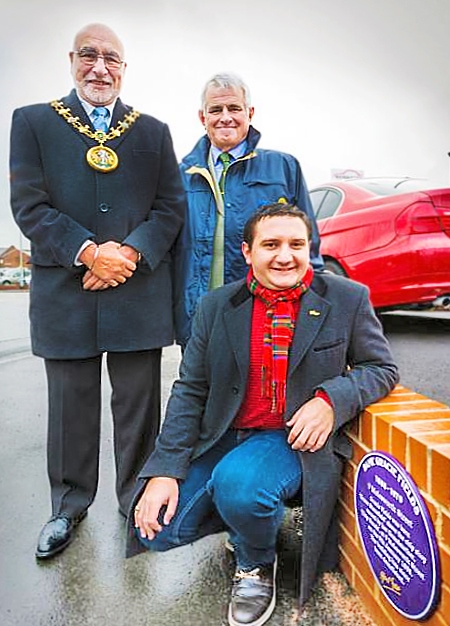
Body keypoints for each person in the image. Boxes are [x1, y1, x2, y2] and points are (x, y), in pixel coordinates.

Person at [126, 204, 399, 626]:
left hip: (289, 438)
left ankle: (255, 563)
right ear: (248, 252)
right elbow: (191, 390)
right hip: (226, 433)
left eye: (296, 244)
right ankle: (250, 518)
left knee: (241, 485)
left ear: (310, 248)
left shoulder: (347, 298)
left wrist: (331, 399)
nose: (285, 256)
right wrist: (165, 469)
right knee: (157, 529)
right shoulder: (216, 305)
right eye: (271, 244)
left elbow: (381, 369)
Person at [9, 23, 185, 560]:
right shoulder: (33, 122)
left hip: (138, 295)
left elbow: (170, 207)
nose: (100, 67)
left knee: (138, 407)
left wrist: (127, 254)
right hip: (67, 293)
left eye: (112, 58)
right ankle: (67, 506)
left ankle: (135, 500)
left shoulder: (152, 131)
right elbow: (29, 206)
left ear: (124, 69)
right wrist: (90, 252)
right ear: (72, 60)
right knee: (71, 407)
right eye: (90, 55)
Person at [174, 72, 324, 349]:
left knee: (260, 389)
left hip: (265, 312)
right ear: (202, 117)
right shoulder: (180, 175)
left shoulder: (283, 167)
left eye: (234, 108)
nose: (225, 117)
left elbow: (308, 242)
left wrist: (315, 305)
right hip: (197, 315)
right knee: (199, 389)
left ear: (250, 112)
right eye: (215, 110)